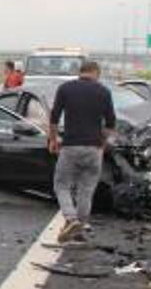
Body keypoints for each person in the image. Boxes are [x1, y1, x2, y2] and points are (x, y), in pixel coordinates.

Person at [48, 60, 116, 243]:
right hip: (93, 149)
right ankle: (78, 230)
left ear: (81, 72)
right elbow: (110, 124)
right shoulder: (104, 92)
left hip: (71, 146)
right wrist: (101, 143)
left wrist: (53, 140)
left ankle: (71, 219)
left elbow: (54, 118)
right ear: (96, 72)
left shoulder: (65, 88)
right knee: (86, 190)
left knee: (61, 185)